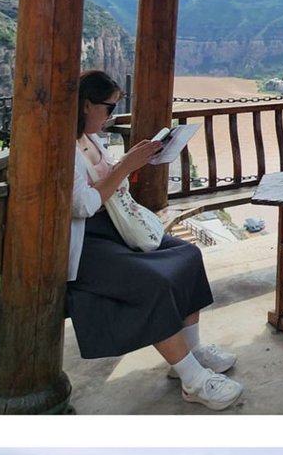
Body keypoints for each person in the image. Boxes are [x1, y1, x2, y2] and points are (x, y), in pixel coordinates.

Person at [69, 71, 243, 409]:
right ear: (86, 104)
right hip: (87, 242)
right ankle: (192, 378)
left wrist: (129, 162)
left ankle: (190, 350)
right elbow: (85, 206)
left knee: (188, 255)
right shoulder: (67, 148)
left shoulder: (92, 139)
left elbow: (112, 189)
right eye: (109, 109)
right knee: (154, 281)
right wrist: (123, 168)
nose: (111, 117)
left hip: (117, 227)